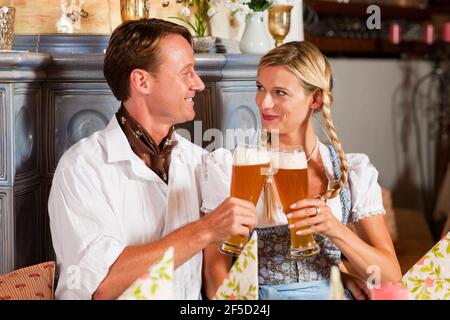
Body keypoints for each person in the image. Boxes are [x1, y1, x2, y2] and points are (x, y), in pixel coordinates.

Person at [48, 18, 257, 300]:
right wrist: (206, 230)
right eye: (186, 73)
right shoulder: (81, 168)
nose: (198, 84)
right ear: (142, 81)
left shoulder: (201, 162)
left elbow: (214, 279)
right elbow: (101, 285)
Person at [202, 41, 402, 300]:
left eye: (280, 93)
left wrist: (335, 230)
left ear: (316, 99)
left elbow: (388, 275)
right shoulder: (233, 168)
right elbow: (214, 269)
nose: (264, 103)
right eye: (260, 88)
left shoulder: (349, 170)